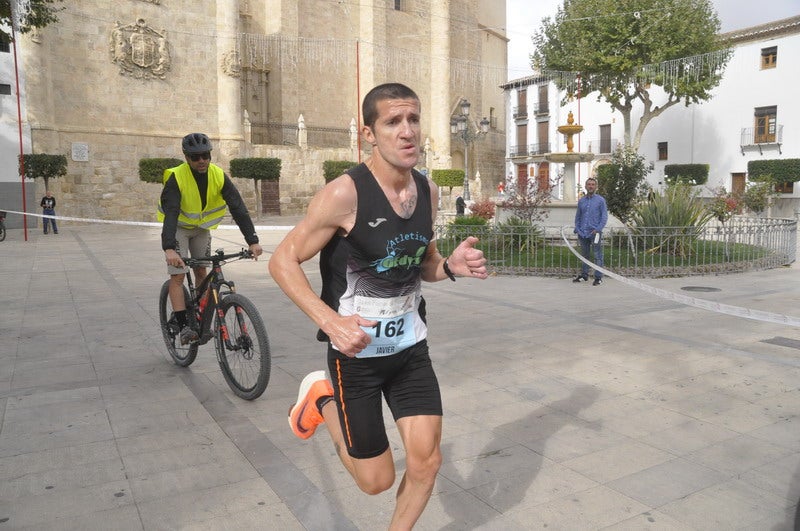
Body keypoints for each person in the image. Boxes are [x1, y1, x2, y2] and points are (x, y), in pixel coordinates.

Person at [268, 83, 488, 529]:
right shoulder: (344, 194)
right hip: (357, 358)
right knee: (376, 481)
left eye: (414, 120)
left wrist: (449, 266)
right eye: (393, 122)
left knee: (427, 464)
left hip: (410, 351)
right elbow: (282, 260)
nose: (407, 132)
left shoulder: (427, 191)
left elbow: (422, 263)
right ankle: (320, 398)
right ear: (369, 134)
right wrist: (331, 322)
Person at [157, 132, 263, 344]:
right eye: (196, 157)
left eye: (205, 155)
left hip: (201, 229)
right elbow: (171, 213)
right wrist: (169, 248)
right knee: (178, 275)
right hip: (179, 227)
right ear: (187, 157)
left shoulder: (218, 175)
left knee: (201, 270)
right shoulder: (177, 178)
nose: (202, 160)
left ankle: (199, 311)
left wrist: (252, 240)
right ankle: (184, 325)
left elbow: (238, 208)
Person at [573, 176, 608, 286]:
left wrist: (598, 229)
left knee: (597, 255)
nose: (591, 186)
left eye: (593, 184)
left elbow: (604, 217)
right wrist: (578, 229)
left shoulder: (600, 200)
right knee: (584, 255)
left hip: (595, 233)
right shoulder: (581, 201)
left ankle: (598, 277)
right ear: (586, 186)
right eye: (589, 184)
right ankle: (584, 275)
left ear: (596, 186)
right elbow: (578, 217)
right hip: (583, 233)